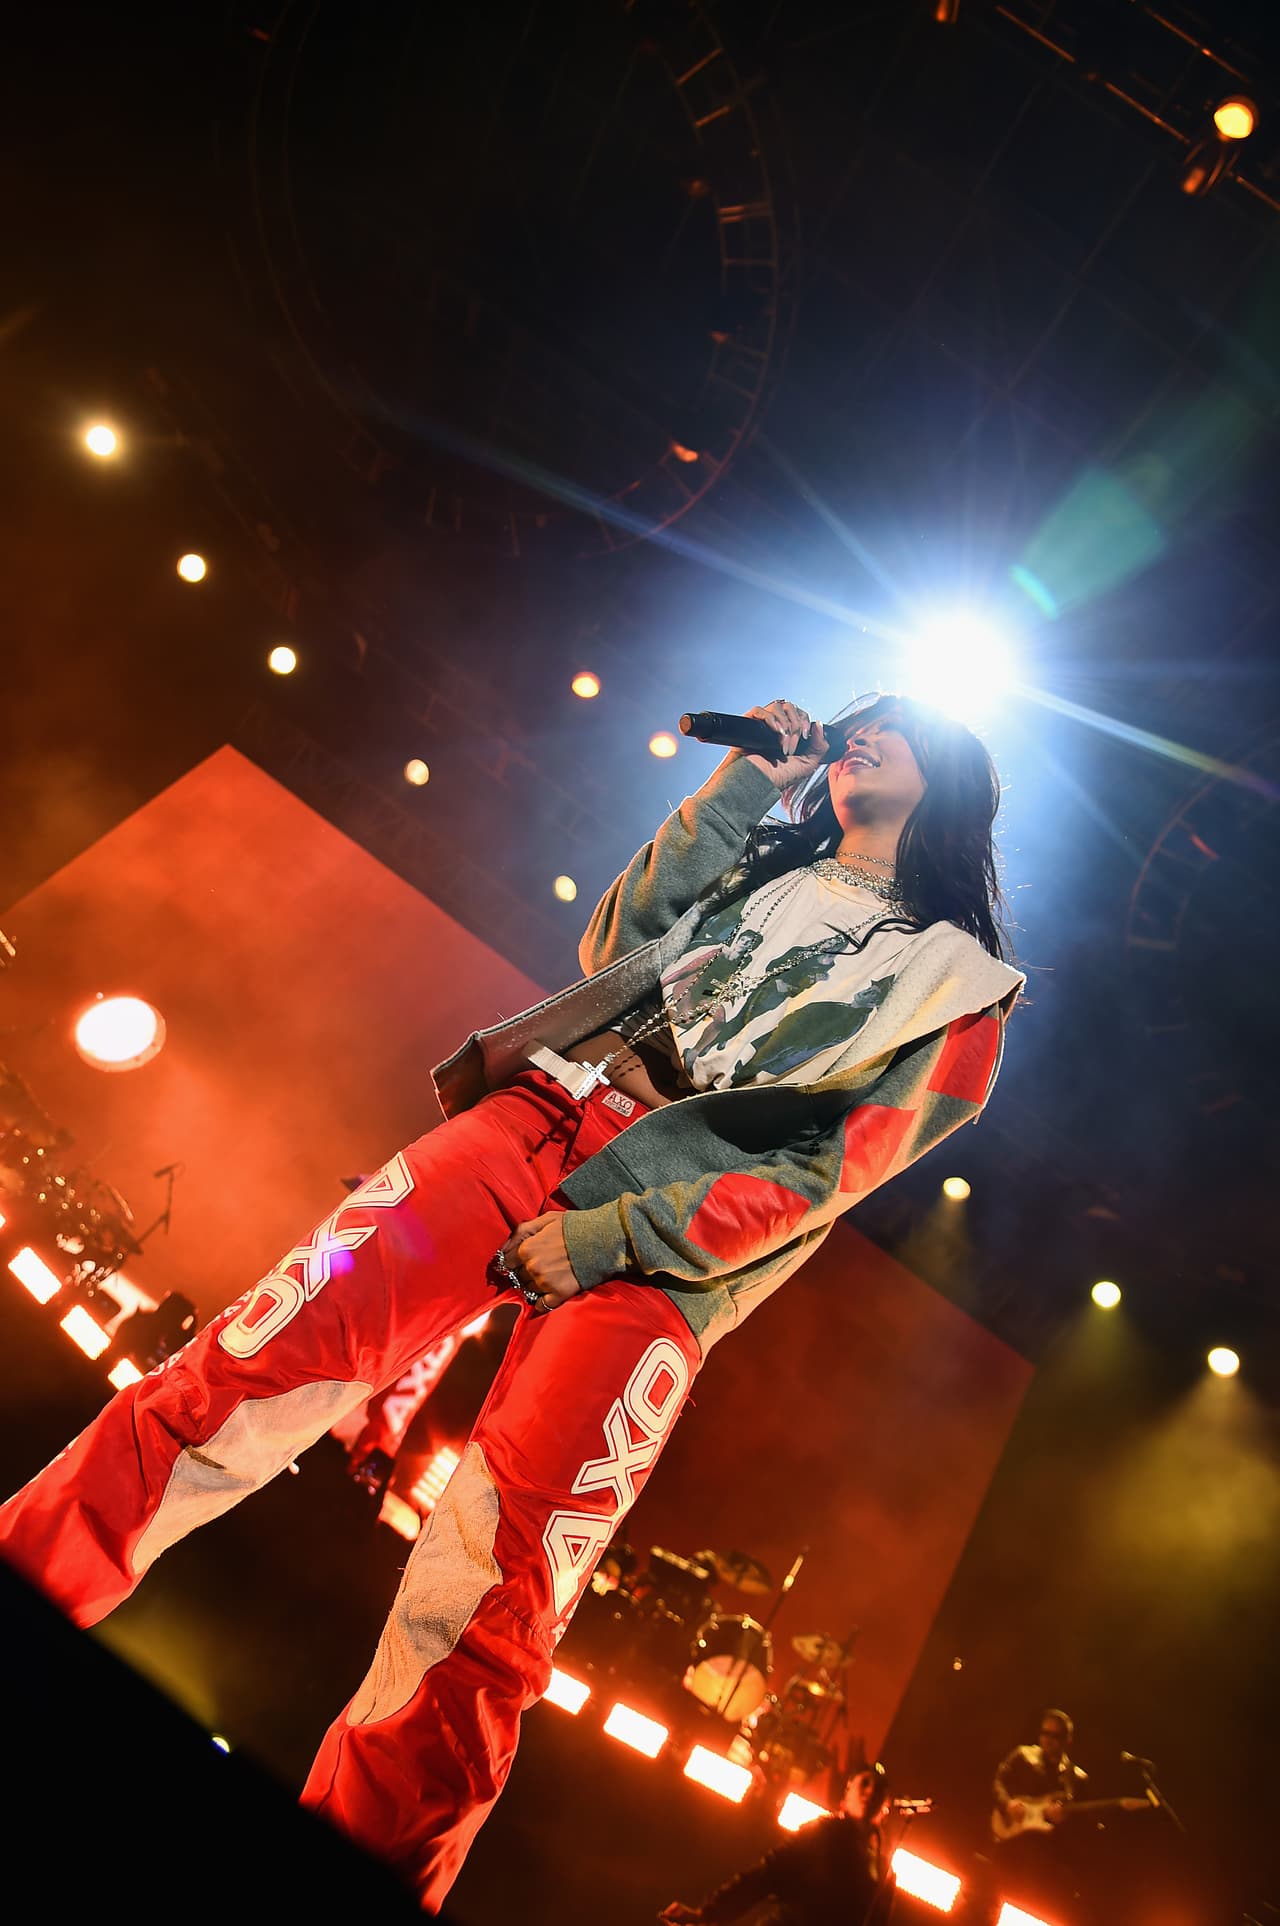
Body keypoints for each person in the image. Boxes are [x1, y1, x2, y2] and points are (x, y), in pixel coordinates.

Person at [0, 693, 1023, 1913]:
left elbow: (820, 1174)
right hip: (529, 1118)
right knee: (240, 1367)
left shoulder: (964, 989)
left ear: (954, 781)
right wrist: (748, 779)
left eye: (898, 727)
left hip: (660, 1253)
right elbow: (612, 944)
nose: (864, 730)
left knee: (495, 1600)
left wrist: (613, 1237)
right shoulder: (759, 854)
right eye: (856, 718)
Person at [658, 1761, 896, 1924]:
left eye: (878, 1789)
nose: (870, 1791)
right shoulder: (824, 1833)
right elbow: (768, 1873)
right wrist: (708, 1913)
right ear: (847, 1790)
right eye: (865, 1782)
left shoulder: (883, 1870)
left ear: (886, 1805)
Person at [988, 1708, 1089, 1915]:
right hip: (1009, 1843)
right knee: (990, 1897)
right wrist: (1008, 1804)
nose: (1048, 1740)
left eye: (1055, 1736)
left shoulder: (1076, 1779)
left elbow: (1082, 1828)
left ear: (1067, 1740)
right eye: (1045, 1733)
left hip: (1042, 1859)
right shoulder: (1023, 1755)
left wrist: (1063, 1820)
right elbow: (998, 1782)